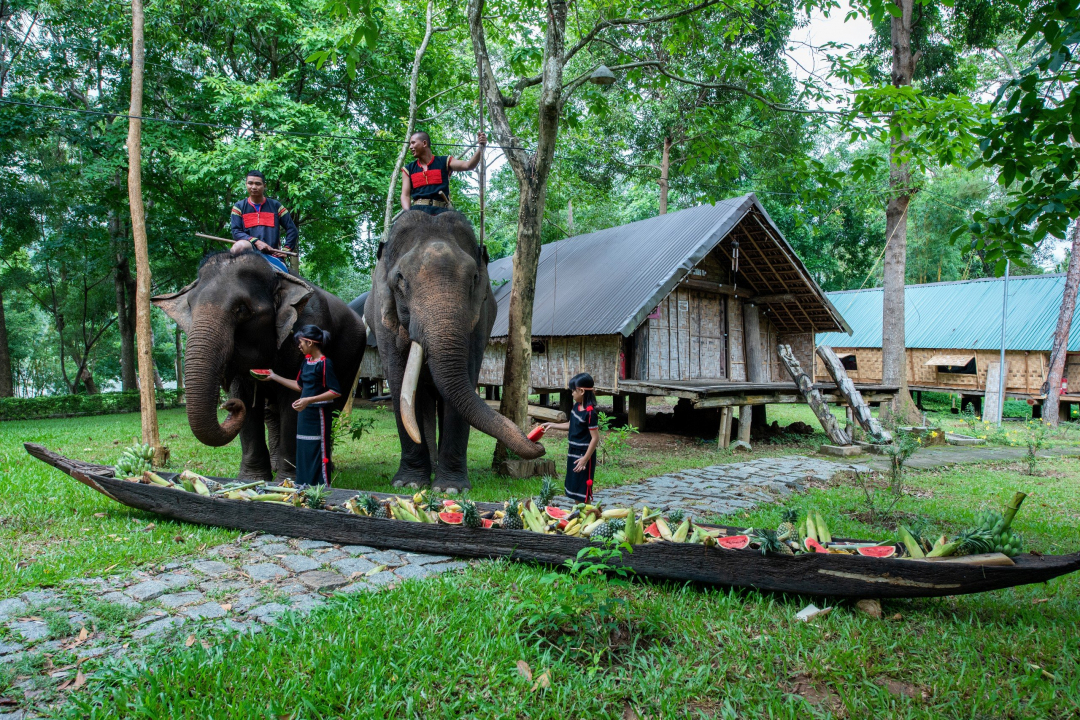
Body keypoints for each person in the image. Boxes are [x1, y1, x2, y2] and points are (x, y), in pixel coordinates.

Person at [253, 325, 341, 487]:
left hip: (318, 415)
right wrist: (273, 376)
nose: (299, 346)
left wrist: (309, 400)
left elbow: (335, 392)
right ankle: (303, 485)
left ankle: (321, 487)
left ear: (310, 342)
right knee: (303, 448)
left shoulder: (325, 364)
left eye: (301, 343)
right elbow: (300, 386)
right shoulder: (306, 362)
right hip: (304, 414)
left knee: (317, 449)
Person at [541, 373, 600, 503]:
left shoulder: (590, 413)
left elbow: (595, 439)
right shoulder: (576, 407)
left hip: (584, 454)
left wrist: (585, 459)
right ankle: (579, 515)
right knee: (574, 487)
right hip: (573, 451)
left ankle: (588, 517)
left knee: (582, 490)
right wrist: (552, 425)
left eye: (574, 390)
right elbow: (571, 424)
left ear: (582, 391)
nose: (572, 393)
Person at [400, 131, 487, 215]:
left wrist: (481, 148)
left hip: (442, 213)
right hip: (418, 213)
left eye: (413, 143)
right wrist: (408, 214)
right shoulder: (408, 169)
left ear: (424, 143)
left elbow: (468, 165)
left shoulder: (444, 161)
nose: (410, 147)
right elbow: (405, 195)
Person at [229, 170, 298, 273]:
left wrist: (286, 250)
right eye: (250, 183)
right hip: (249, 252)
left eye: (258, 184)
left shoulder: (276, 206)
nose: (253, 187)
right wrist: (256, 242)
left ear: (264, 186)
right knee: (239, 246)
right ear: (246, 184)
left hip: (272, 254)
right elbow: (236, 232)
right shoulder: (239, 207)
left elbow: (292, 229)